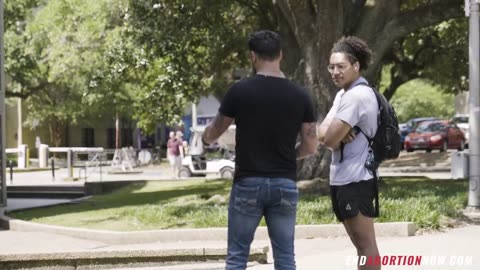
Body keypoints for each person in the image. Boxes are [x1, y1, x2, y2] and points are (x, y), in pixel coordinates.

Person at [202, 30, 318, 270]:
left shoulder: (239, 91)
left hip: (248, 182)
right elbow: (310, 145)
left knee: (237, 257)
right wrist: (289, 154)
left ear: (252, 56)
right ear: (281, 55)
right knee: (286, 257)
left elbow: (216, 130)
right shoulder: (300, 95)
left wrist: (204, 139)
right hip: (284, 183)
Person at [318, 36, 380, 270]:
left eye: (341, 66)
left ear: (356, 66)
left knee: (365, 246)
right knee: (361, 246)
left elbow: (330, 139)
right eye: (332, 66)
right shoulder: (343, 95)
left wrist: (334, 132)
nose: (335, 72)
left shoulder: (357, 96)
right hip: (345, 178)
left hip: (356, 179)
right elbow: (323, 133)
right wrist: (334, 131)